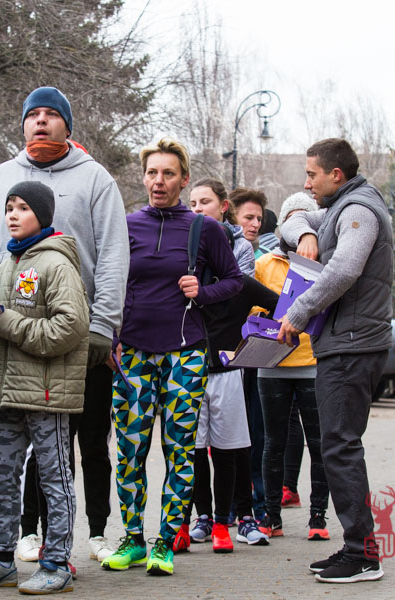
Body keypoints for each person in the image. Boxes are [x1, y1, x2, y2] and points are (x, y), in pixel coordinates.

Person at [0, 87, 128, 567]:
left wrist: (104, 324)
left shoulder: (95, 179)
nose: (42, 122)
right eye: (34, 115)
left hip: (65, 338)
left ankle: (58, 548)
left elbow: (113, 255)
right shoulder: (0, 179)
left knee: (59, 448)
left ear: (67, 126)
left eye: (52, 114)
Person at [101, 138, 243, 576]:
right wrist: (110, 337)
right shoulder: (126, 226)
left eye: (168, 173)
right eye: (152, 173)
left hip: (186, 354)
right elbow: (108, 283)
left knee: (180, 451)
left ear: (183, 179)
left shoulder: (204, 229)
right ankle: (132, 539)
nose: (158, 181)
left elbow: (235, 281)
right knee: (129, 450)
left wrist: (204, 291)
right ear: (143, 177)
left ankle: (164, 542)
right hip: (133, 354)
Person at [0, 181, 87, 594]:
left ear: (42, 216)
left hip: (46, 395)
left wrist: (6, 323)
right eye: (9, 207)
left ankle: (57, 562)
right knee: (0, 476)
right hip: (4, 392)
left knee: (54, 478)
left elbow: (70, 328)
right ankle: (1, 558)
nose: (12, 215)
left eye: (22, 208)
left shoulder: (57, 265)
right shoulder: (5, 266)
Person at [277, 138, 392, 584]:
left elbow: (344, 269)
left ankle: (363, 554)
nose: (307, 183)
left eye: (312, 175)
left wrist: (299, 311)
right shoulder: (339, 207)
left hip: (352, 346)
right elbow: (292, 214)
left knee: (340, 445)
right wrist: (306, 234)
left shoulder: (358, 210)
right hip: (344, 343)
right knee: (337, 444)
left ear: (336, 175)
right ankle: (355, 547)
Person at [181, 178, 271, 553]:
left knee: (232, 448)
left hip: (230, 372)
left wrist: (256, 341)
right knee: (195, 450)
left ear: (223, 208)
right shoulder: (182, 268)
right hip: (188, 370)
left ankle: (238, 517)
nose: (197, 209)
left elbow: (281, 308)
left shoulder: (239, 276)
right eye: (192, 203)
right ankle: (204, 517)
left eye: (205, 201)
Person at [256, 192, 330, 542]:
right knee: (273, 442)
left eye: (306, 219)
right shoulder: (264, 264)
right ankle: (271, 516)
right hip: (271, 364)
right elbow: (253, 309)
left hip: (313, 365)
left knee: (319, 443)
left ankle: (318, 517)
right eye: (292, 219)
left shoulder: (325, 263)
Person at [228, 188, 269, 521]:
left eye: (259, 219)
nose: (255, 224)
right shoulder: (229, 252)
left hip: (255, 355)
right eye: (248, 217)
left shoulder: (265, 258)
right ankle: (227, 506)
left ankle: (257, 503)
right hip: (227, 355)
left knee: (255, 432)